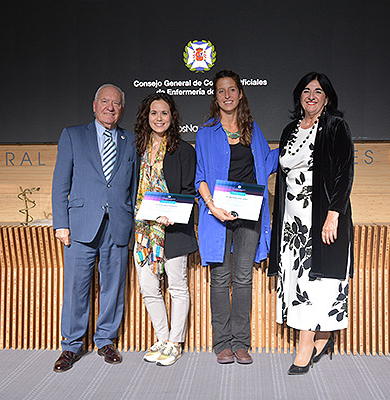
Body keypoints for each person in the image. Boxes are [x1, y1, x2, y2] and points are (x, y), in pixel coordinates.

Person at [269, 72, 354, 375]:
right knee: (299, 280)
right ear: (299, 96)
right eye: (306, 90)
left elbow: (344, 173)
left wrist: (334, 214)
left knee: (317, 281)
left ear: (327, 98)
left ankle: (306, 344)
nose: (312, 95)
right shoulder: (290, 129)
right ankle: (323, 336)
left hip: (321, 217)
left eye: (318, 91)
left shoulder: (335, 126)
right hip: (292, 222)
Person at [51, 83, 137, 372]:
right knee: (76, 287)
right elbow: (60, 183)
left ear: (121, 109)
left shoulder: (131, 140)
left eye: (115, 103)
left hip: (118, 225)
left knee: (113, 286)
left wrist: (134, 224)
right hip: (80, 226)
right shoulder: (73, 135)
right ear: (94, 105)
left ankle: (105, 340)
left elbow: (134, 188)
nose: (110, 107)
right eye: (105, 101)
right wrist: (60, 224)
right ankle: (72, 346)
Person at [195, 70, 278, 364]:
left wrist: (297, 137)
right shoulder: (205, 132)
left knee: (243, 279)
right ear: (215, 96)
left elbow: (268, 163)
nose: (227, 95)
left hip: (249, 215)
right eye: (221, 91)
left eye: (232, 90)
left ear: (241, 94)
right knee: (219, 280)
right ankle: (222, 344)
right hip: (217, 214)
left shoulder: (252, 130)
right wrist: (212, 206)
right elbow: (200, 176)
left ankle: (241, 342)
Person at [132, 93, 197, 366]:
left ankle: (175, 343)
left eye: (164, 113)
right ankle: (161, 338)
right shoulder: (136, 150)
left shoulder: (184, 150)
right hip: (143, 232)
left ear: (173, 117)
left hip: (173, 230)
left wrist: (173, 215)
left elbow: (188, 192)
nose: (159, 118)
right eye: (154, 113)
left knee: (177, 288)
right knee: (149, 288)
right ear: (146, 117)